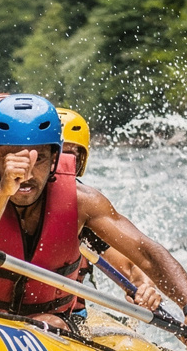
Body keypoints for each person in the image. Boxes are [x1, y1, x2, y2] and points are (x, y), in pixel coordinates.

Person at [0, 94, 187, 348]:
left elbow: (145, 252)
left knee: (51, 324)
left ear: (55, 158)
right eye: (12, 160)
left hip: (50, 321)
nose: (26, 174)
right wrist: (1, 193)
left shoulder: (83, 201)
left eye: (39, 160)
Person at [55, 106, 164, 310]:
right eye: (56, 155)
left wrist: (144, 287)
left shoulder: (83, 209)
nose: (62, 166)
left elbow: (131, 269)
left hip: (65, 314)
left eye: (71, 157)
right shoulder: (5, 198)